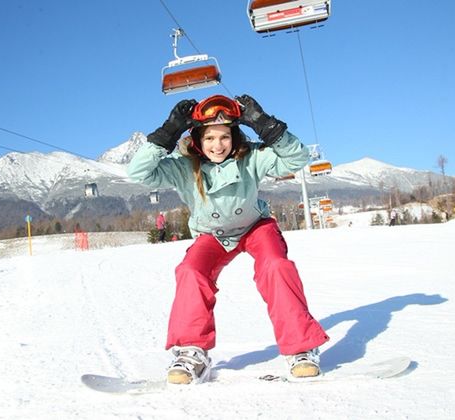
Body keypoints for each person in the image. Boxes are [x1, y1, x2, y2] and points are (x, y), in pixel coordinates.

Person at [127, 94, 329, 385]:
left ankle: (301, 349)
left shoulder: (251, 157)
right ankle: (191, 352)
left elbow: (298, 158)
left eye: (224, 136)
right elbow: (138, 172)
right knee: (191, 272)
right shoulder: (184, 166)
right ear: (198, 139)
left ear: (234, 136)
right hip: (212, 235)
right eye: (210, 137)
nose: (218, 145)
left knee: (275, 266)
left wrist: (266, 126)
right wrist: (166, 134)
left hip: (254, 227)